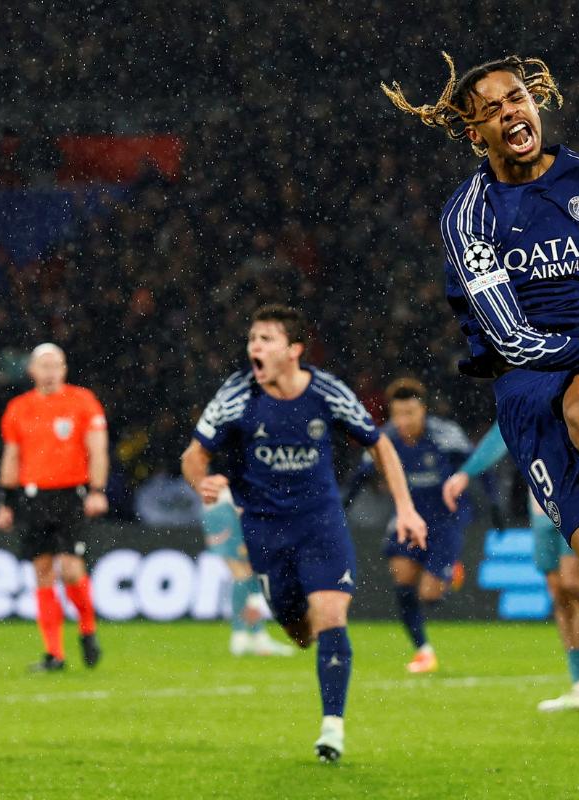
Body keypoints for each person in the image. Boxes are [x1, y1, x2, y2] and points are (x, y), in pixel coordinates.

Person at [384, 52, 579, 697]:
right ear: (476, 133)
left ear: (535, 105)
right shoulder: (468, 215)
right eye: (492, 110)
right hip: (525, 386)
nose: (511, 113)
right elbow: (511, 339)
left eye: (516, 99)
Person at [181, 304, 427, 763]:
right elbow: (193, 455)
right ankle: (321, 659)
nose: (254, 347)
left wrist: (406, 508)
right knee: (299, 631)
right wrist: (203, 482)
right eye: (252, 338)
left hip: (321, 524)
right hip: (264, 530)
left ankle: (332, 728)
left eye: (266, 339)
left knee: (331, 613)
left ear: (293, 350)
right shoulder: (236, 393)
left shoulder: (328, 392)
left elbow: (381, 446)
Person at [443, 423, 579, 713]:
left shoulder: (567, 388)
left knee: (576, 584)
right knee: (560, 593)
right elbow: (501, 434)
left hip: (578, 500)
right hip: (542, 506)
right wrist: (466, 472)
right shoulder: (522, 395)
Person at [342, 378, 474, 674]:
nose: (403, 420)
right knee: (402, 580)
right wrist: (342, 509)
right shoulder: (384, 439)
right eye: (398, 414)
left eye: (410, 413)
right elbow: (359, 476)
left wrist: (493, 504)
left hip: (445, 520)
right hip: (408, 517)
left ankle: (449, 571)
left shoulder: (446, 435)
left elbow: (475, 464)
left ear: (423, 410)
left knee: (429, 594)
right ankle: (423, 652)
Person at [0, 343, 107, 672]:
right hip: (33, 497)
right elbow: (12, 457)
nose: (50, 371)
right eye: (44, 365)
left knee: (71, 568)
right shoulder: (18, 408)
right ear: (31, 370)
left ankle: (87, 629)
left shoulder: (82, 401)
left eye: (56, 364)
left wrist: (97, 490)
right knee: (42, 572)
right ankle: (54, 655)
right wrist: (5, 502)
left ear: (65, 368)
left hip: (71, 494)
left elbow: (97, 450)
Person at [200, 486, 295, 657]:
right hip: (227, 508)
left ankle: (256, 637)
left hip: (222, 506)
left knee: (249, 573)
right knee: (242, 573)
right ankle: (241, 636)